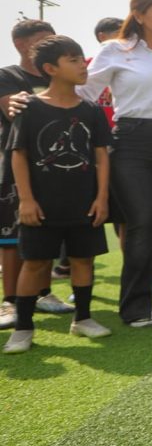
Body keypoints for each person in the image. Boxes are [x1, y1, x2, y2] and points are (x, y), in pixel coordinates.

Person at [78, 0, 152, 326]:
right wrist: (37, 100)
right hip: (131, 140)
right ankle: (137, 305)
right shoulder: (115, 50)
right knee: (142, 223)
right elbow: (83, 91)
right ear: (139, 15)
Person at [3, 36, 111, 353]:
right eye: (73, 60)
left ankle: (83, 318)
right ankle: (23, 327)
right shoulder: (30, 108)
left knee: (83, 259)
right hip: (41, 203)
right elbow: (18, 154)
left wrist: (102, 197)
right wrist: (26, 199)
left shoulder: (91, 110)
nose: (82, 65)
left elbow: (102, 156)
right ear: (50, 68)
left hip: (83, 200)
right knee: (35, 263)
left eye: (82, 59)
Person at [0, 20, 76, 332]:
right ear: (21, 44)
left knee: (48, 233)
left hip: (55, 169)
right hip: (16, 167)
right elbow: (9, 111)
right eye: (45, 40)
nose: (52, 44)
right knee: (12, 238)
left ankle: (43, 292)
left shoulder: (60, 78)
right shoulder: (8, 76)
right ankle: (11, 301)